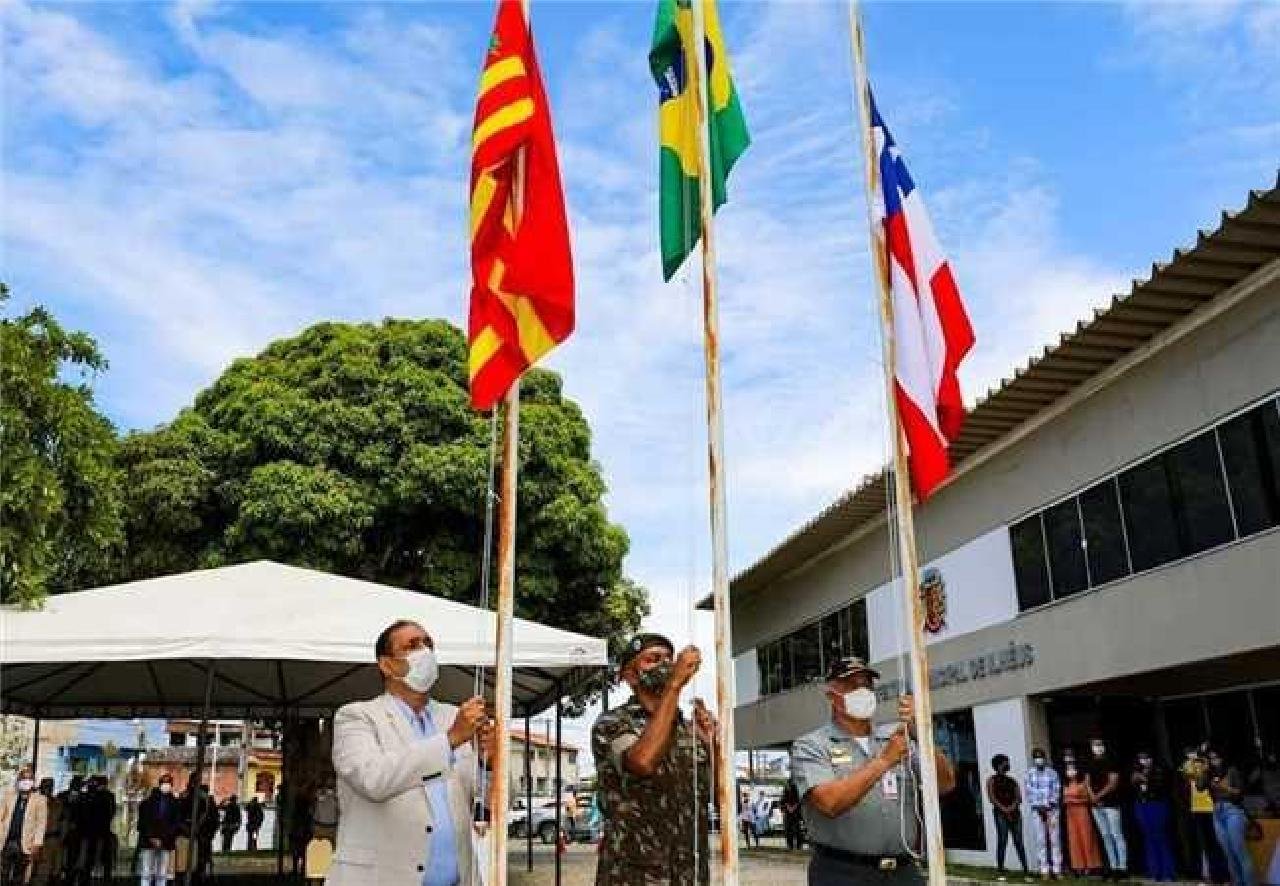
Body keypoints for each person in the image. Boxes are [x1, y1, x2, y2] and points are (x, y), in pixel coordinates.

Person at [325, 619, 494, 886]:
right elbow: (373, 780)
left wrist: (488, 763)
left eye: (428, 644)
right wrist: (450, 740)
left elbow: (491, 802)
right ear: (387, 665)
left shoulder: (453, 716)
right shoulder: (356, 716)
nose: (424, 652)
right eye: (412, 646)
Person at [791, 656, 956, 886]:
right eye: (851, 685)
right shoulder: (812, 745)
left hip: (902, 872)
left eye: (867, 685)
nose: (862, 691)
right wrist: (884, 761)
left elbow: (945, 784)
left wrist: (923, 733)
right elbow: (829, 802)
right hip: (842, 872)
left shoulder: (897, 736)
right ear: (831, 695)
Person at [591, 633, 714, 885]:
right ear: (630, 675)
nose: (665, 665)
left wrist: (715, 745)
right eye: (653, 659)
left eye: (669, 659)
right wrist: (674, 686)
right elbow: (642, 762)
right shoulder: (613, 723)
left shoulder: (687, 729)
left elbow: (717, 794)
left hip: (688, 873)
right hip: (634, 875)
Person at [1200, 750, 1255, 886]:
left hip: (1233, 811)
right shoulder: (1209, 773)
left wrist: (1225, 787)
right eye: (1211, 758)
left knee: (1239, 852)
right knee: (1228, 854)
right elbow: (1200, 787)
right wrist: (1204, 770)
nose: (1214, 760)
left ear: (1223, 757)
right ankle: (1237, 883)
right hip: (1217, 812)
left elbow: (1241, 792)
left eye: (1216, 757)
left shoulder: (1232, 771)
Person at [1183, 746, 1229, 883]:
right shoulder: (1188, 765)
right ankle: (1213, 875)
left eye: (1193, 752)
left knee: (1217, 843)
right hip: (1196, 809)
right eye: (1188, 753)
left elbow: (1203, 781)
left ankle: (1225, 875)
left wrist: (1202, 763)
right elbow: (1186, 777)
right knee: (1206, 844)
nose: (1191, 755)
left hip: (1211, 807)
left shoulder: (1206, 764)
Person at [1131, 751, 1177, 882]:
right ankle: (1154, 870)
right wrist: (1135, 781)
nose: (1144, 761)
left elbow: (1161, 787)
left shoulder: (1159, 770)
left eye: (1147, 758)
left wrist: (1145, 779)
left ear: (1152, 759)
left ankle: (1168, 872)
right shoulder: (1137, 772)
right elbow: (1136, 789)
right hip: (1142, 805)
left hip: (1157, 804)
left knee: (1161, 837)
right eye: (1141, 759)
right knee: (1148, 837)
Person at [1086, 739, 1127, 879]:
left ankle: (1122, 867)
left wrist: (1098, 796)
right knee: (1105, 835)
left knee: (1116, 834)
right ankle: (1112, 866)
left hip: (1111, 803)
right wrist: (1092, 796)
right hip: (1096, 805)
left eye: (1099, 745)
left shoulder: (1111, 761)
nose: (1097, 748)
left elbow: (1113, 783)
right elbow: (1087, 782)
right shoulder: (1090, 763)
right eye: (1094, 745)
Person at [1, 766, 48, 885]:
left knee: (19, 876)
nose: (26, 782)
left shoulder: (40, 799)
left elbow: (41, 823)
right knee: (3, 874)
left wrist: (37, 843)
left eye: (29, 779)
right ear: (18, 780)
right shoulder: (9, 795)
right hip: (6, 841)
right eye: (23, 778)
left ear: (33, 782)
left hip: (25, 843)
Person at [987, 754, 1031, 880]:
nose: (1007, 765)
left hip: (1015, 814)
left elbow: (1019, 798)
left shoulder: (1012, 781)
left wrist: (1011, 808)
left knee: (1019, 841)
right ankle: (1000, 869)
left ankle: (1025, 870)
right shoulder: (992, 780)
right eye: (1005, 763)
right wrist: (1004, 809)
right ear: (998, 765)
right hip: (1000, 814)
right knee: (1002, 840)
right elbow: (992, 798)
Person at [1024, 749, 1062, 880]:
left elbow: (1056, 790)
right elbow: (1029, 793)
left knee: (1055, 840)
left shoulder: (1053, 773)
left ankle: (1057, 869)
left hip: (1052, 810)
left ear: (1045, 758)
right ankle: (1044, 869)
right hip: (1037, 811)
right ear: (1033, 759)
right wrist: (1039, 807)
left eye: (1040, 757)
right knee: (1041, 840)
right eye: (1036, 757)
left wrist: (1049, 805)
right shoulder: (1029, 774)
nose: (1039, 759)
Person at [137, 773, 181, 886]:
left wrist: (163, 838)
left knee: (162, 873)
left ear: (171, 785)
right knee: (146, 872)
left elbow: (176, 824)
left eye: (168, 783)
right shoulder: (147, 802)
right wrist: (152, 837)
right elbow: (143, 822)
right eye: (164, 783)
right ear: (160, 784)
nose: (166, 785)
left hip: (166, 842)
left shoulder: (175, 804)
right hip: (148, 841)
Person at [1062, 765, 1102, 877]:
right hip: (1070, 814)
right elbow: (1064, 799)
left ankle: (1091, 865)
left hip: (1082, 812)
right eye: (1068, 770)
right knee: (1074, 839)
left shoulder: (1083, 784)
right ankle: (1078, 865)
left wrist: (1074, 801)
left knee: (1086, 838)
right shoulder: (1065, 785)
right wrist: (1067, 801)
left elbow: (1087, 799)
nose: (1070, 772)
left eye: (1073, 769)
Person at [28, 778, 59, 886]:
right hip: (33, 839)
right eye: (45, 787)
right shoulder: (32, 801)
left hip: (49, 838)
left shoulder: (57, 803)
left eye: (49, 787)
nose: (47, 789)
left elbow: (62, 821)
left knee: (44, 868)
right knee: (29, 866)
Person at [58, 775, 86, 885]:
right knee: (62, 856)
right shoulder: (62, 795)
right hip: (62, 831)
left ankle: (70, 877)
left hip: (77, 832)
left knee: (74, 857)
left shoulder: (84, 798)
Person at [781, 781, 803, 851]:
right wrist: (787, 807)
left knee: (797, 830)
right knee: (788, 830)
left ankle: (799, 845)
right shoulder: (785, 791)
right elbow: (783, 801)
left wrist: (793, 808)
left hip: (796, 813)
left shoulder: (796, 790)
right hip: (788, 813)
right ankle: (790, 845)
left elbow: (799, 801)